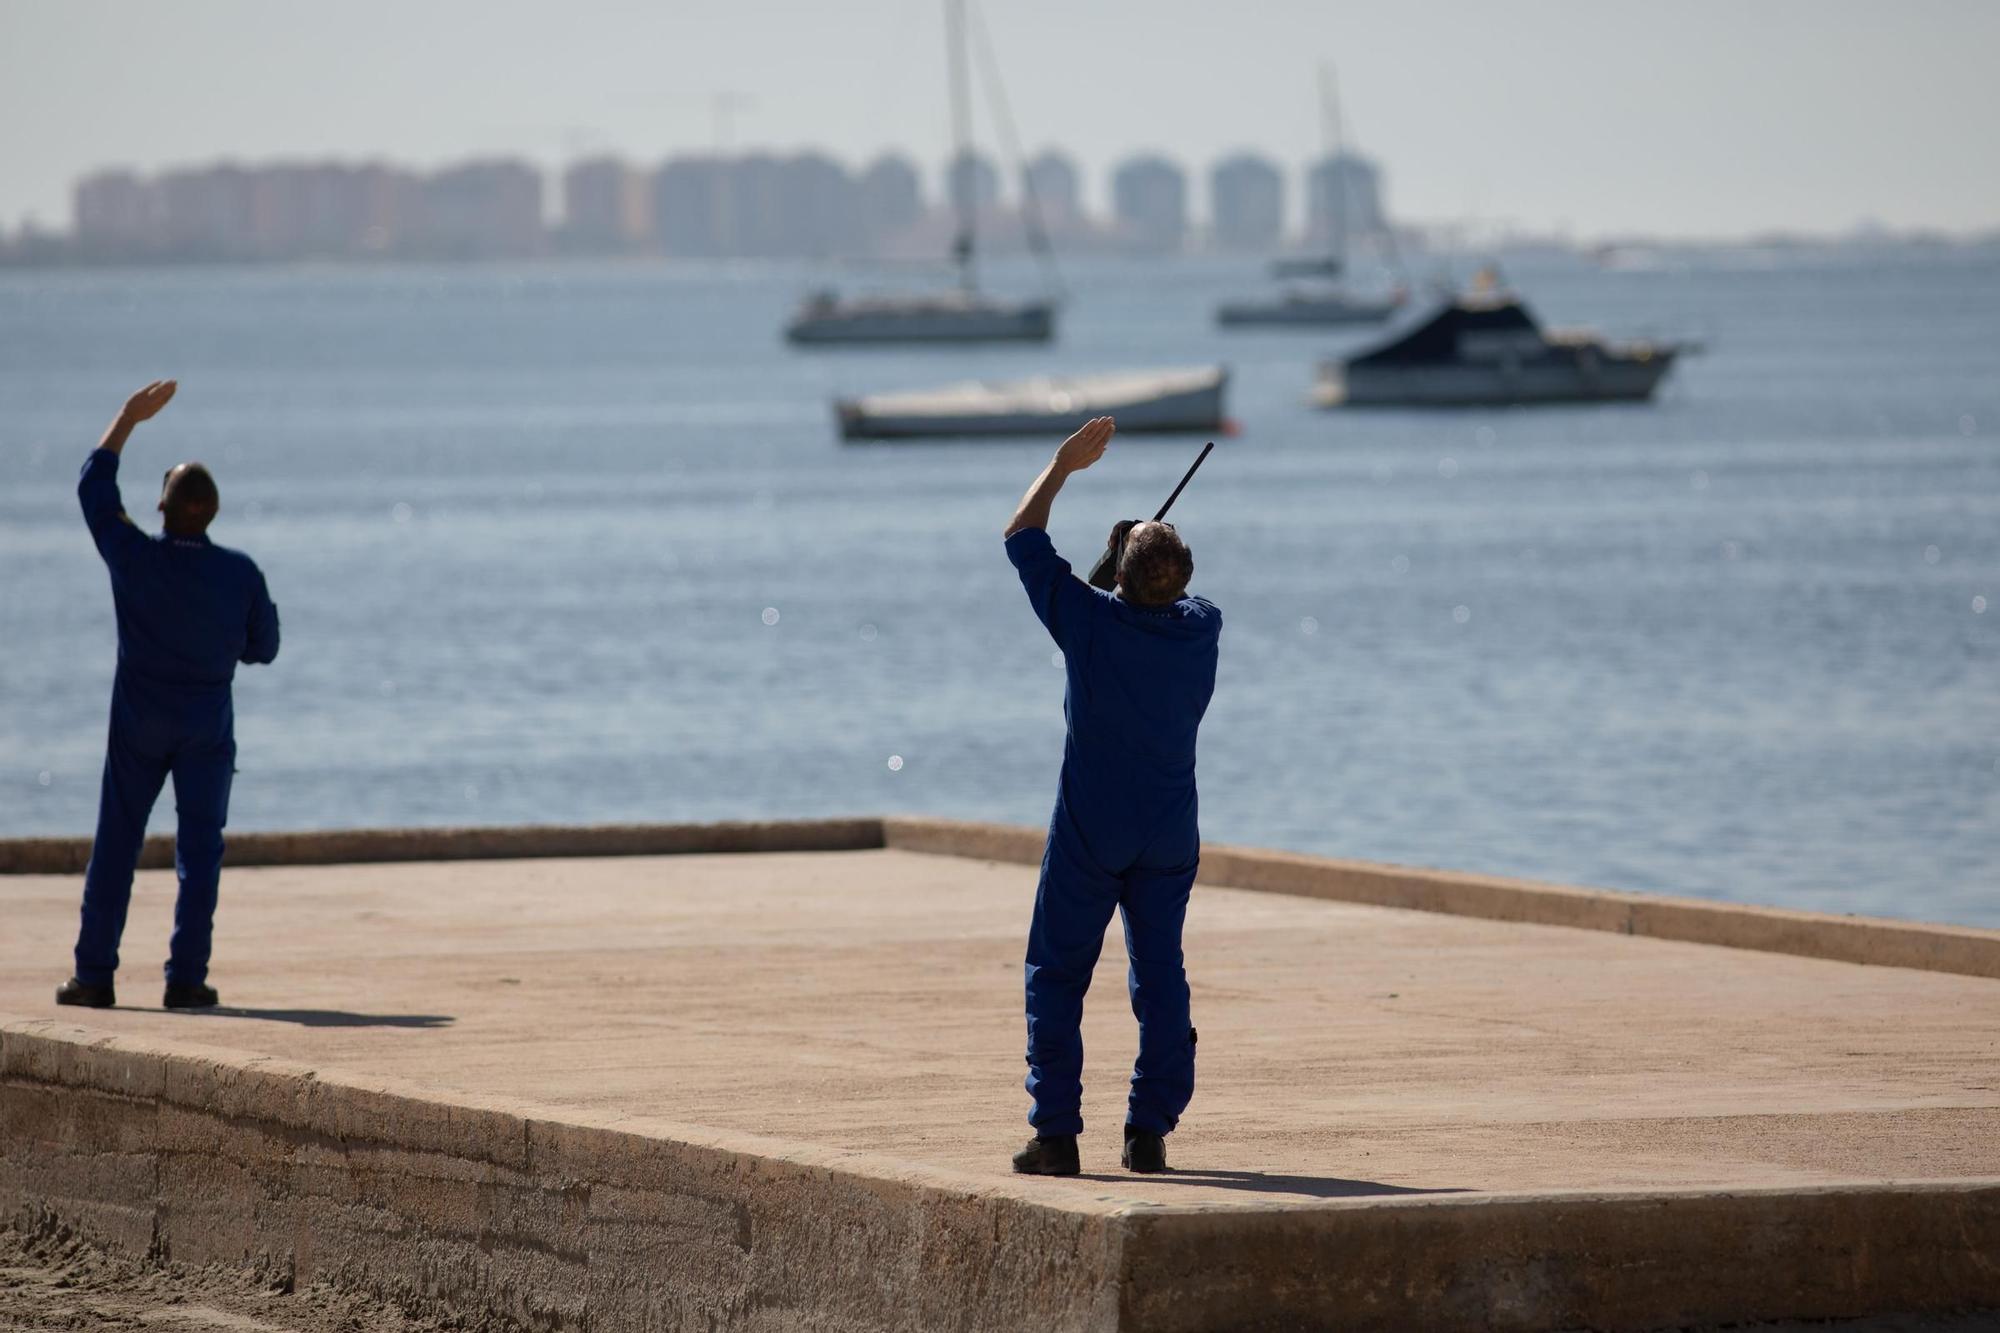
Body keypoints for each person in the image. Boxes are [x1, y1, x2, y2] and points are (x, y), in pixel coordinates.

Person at [1001, 416, 1222, 1175]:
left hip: (1093, 825)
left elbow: (1022, 535)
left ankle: (1057, 1133)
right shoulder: (1201, 630)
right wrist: (1135, 552)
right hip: (1167, 830)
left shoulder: (1090, 622)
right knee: (1159, 972)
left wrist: (1062, 467)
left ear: (1121, 575)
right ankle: (1148, 1129)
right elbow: (1162, 595)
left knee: (1057, 970)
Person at [55, 381, 281, 1012]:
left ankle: (93, 977)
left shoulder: (134, 557)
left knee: (117, 842)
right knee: (200, 852)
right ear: (210, 514)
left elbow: (92, 488)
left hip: (139, 723)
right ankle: (186, 980)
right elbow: (264, 648)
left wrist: (127, 417)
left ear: (161, 505)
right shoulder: (240, 573)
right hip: (206, 724)